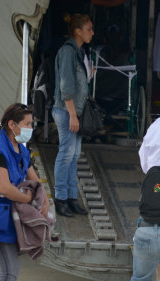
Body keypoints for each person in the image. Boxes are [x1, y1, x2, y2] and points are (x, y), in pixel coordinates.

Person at [0, 104, 50, 281]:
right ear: (12, 124)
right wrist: (29, 198)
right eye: (27, 124)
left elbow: (34, 180)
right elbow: (5, 187)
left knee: (9, 271)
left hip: (7, 218)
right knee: (10, 270)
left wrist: (44, 200)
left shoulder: (21, 149)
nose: (30, 128)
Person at [52, 14, 94, 218]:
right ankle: (61, 199)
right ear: (77, 31)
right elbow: (66, 86)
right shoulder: (68, 52)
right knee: (66, 154)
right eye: (88, 29)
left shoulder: (78, 52)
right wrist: (72, 115)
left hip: (73, 111)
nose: (92, 33)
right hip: (66, 110)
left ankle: (71, 198)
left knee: (74, 156)